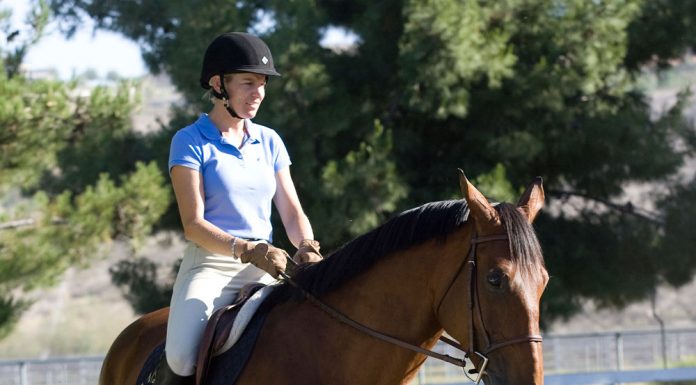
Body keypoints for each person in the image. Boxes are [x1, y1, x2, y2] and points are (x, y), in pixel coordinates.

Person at [157, 32, 323, 385]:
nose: (258, 92)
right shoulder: (189, 141)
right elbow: (193, 224)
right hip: (213, 264)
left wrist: (307, 247)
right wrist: (246, 249)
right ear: (219, 85)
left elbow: (292, 212)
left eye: (262, 84)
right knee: (182, 355)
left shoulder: (270, 140)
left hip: (270, 263)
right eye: (248, 82)